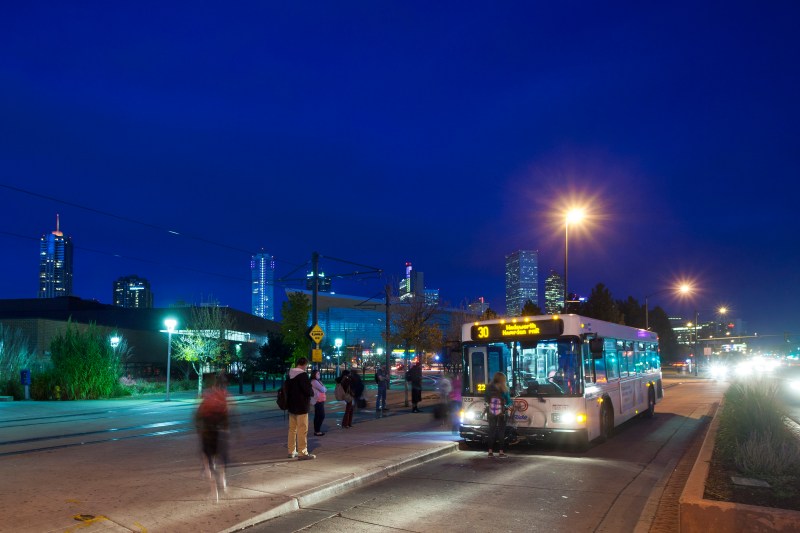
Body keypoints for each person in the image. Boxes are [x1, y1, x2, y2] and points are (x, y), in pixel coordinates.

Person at [195, 373, 230, 501]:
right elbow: (226, 415)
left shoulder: (205, 396)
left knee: (207, 461)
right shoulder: (222, 396)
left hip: (207, 433)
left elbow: (198, 416)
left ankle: (214, 490)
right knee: (221, 459)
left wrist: (199, 429)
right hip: (220, 433)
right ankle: (223, 480)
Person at [286, 357, 315, 459]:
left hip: (291, 406)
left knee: (292, 429)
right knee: (302, 429)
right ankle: (302, 452)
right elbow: (308, 390)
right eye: (306, 365)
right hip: (302, 406)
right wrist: (311, 392)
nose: (306, 367)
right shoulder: (302, 375)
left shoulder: (289, 374)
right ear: (304, 364)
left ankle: (291, 451)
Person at [485, 371, 512, 458]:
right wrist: (508, 406)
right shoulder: (504, 388)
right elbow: (508, 401)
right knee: (501, 432)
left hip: (491, 412)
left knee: (491, 431)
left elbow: (486, 399)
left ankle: (490, 451)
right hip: (502, 413)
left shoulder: (488, 387)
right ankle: (501, 452)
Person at [310, 369, 326, 436]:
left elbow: (324, 389)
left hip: (320, 400)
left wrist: (323, 388)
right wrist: (323, 388)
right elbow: (323, 389)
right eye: (318, 374)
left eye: (319, 374)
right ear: (314, 374)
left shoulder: (318, 381)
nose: (319, 375)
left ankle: (317, 430)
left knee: (319, 415)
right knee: (320, 415)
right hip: (318, 400)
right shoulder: (314, 381)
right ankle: (317, 431)